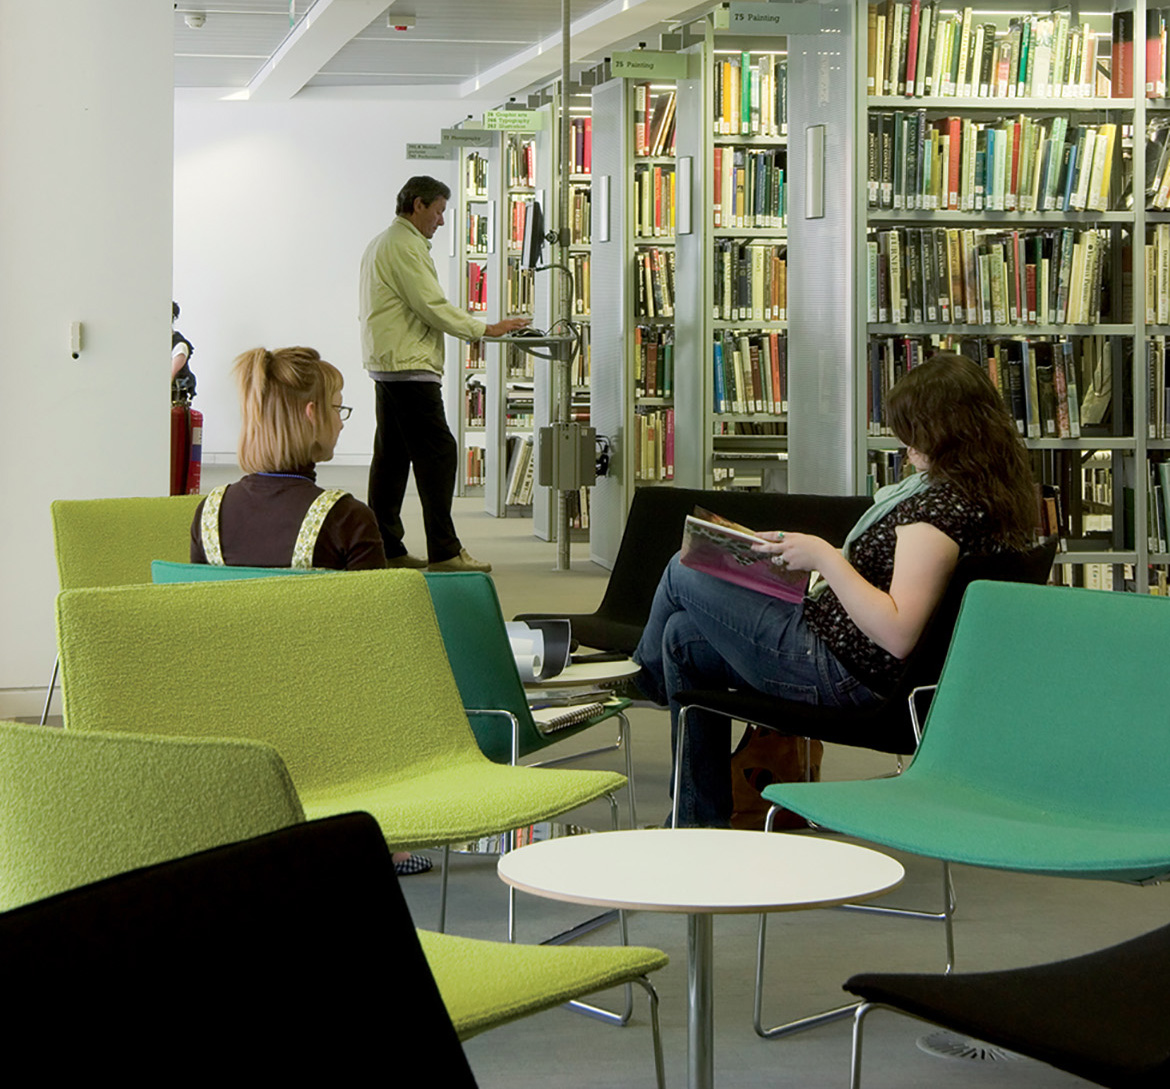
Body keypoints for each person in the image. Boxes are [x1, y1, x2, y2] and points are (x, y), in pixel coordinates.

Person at [633, 353, 1037, 827]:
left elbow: (898, 632)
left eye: (913, 433)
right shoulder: (983, 496)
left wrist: (826, 557)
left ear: (945, 432)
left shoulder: (934, 518)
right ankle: (695, 823)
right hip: (843, 653)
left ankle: (641, 678)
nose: (906, 447)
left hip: (841, 673)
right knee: (682, 637)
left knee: (682, 569)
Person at [189, 345, 431, 876]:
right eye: (339, 408)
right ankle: (381, 834)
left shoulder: (208, 512)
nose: (342, 422)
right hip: (327, 717)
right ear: (310, 413)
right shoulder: (347, 518)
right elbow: (379, 640)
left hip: (227, 710)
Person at [360, 175, 529, 573]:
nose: (440, 221)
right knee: (439, 454)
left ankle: (387, 547)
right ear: (417, 205)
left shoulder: (385, 241)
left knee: (391, 458)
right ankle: (445, 551)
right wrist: (485, 329)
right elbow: (431, 305)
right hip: (409, 366)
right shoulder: (404, 246)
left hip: (388, 364)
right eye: (438, 211)